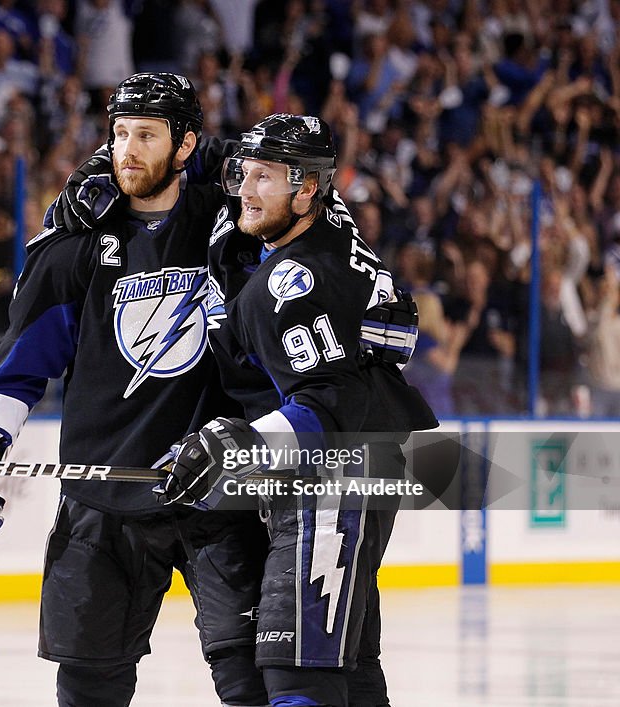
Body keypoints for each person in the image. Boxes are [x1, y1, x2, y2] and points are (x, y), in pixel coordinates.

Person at [0, 73, 271, 707]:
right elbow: (22, 364)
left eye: (147, 135)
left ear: (185, 145)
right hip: (104, 495)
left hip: (216, 490)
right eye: (119, 135)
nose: (128, 150)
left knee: (252, 681)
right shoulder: (77, 241)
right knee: (88, 685)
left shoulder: (233, 226)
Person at [155, 114, 437, 707]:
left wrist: (240, 445)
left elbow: (329, 402)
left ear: (306, 189)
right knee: (352, 667)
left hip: (336, 478)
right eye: (245, 174)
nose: (245, 190)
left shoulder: (289, 284)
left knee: (296, 671)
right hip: (368, 462)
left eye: (265, 178)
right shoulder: (327, 221)